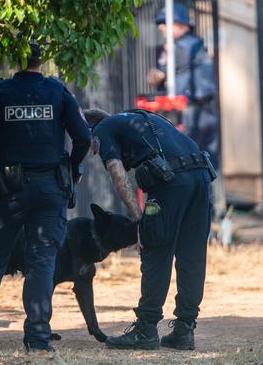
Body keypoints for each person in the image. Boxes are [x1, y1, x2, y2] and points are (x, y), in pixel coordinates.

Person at [0, 43, 91, 352]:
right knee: (41, 263)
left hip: (6, 189)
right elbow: (84, 137)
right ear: (42, 61)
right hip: (50, 188)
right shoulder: (58, 91)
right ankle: (37, 338)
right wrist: (75, 169)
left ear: (17, 59)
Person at [84, 108, 214, 350]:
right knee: (192, 254)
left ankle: (146, 329)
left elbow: (118, 174)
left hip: (172, 182)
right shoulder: (143, 118)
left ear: (91, 131)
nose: (92, 151)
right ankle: (185, 329)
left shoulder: (103, 129)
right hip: (201, 175)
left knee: (155, 249)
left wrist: (139, 220)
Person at [147, 3, 220, 169]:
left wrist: (158, 75)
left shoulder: (181, 47)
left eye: (166, 23)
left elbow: (157, 75)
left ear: (181, 25)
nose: (161, 28)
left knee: (187, 161)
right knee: (204, 163)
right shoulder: (195, 45)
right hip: (203, 112)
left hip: (192, 112)